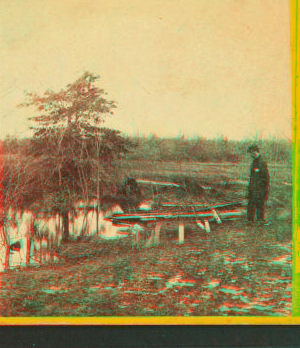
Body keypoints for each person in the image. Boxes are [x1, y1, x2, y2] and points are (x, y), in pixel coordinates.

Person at [246, 145, 270, 225]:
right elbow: (252, 176)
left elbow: (265, 178)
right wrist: (250, 187)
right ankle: (250, 220)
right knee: (251, 203)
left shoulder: (261, 162)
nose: (250, 155)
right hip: (253, 187)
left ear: (255, 151)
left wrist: (260, 188)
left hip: (259, 189)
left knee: (259, 204)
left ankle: (260, 220)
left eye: (251, 153)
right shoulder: (254, 161)